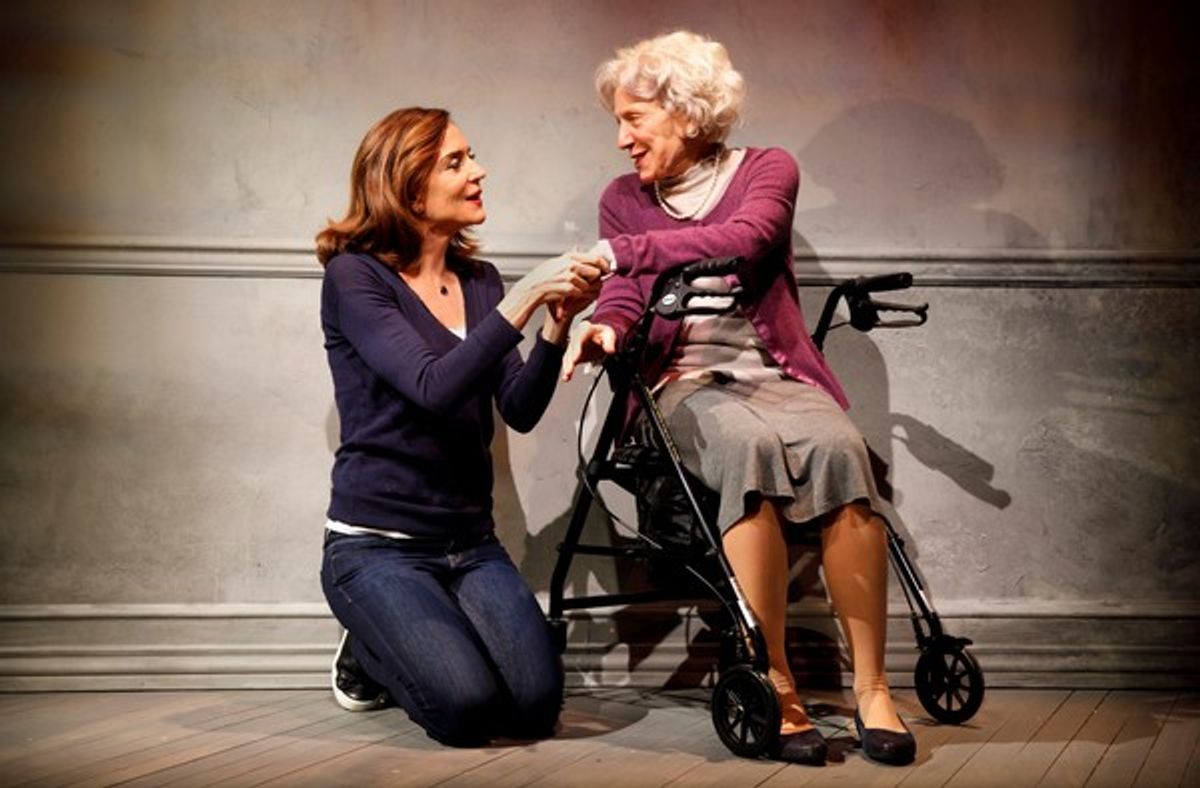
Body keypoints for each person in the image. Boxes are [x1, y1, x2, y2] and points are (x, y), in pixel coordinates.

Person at [563, 31, 916, 766]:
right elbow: (627, 294)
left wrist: (622, 253)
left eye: (634, 119)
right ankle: (774, 678)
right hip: (681, 384)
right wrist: (604, 327)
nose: (622, 139)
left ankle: (875, 687)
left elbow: (747, 239)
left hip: (775, 374)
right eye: (620, 124)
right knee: (743, 447)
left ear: (687, 114)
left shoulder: (768, 170)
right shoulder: (623, 199)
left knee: (842, 450)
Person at [316, 107, 607, 746]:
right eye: (457, 161)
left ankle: (421, 628)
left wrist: (556, 324)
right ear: (408, 183)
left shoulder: (479, 282)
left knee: (535, 707)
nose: (479, 171)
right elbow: (432, 388)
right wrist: (523, 298)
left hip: (469, 544)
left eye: (470, 156)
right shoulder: (356, 278)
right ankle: (367, 645)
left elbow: (521, 411)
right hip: (376, 547)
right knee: (466, 712)